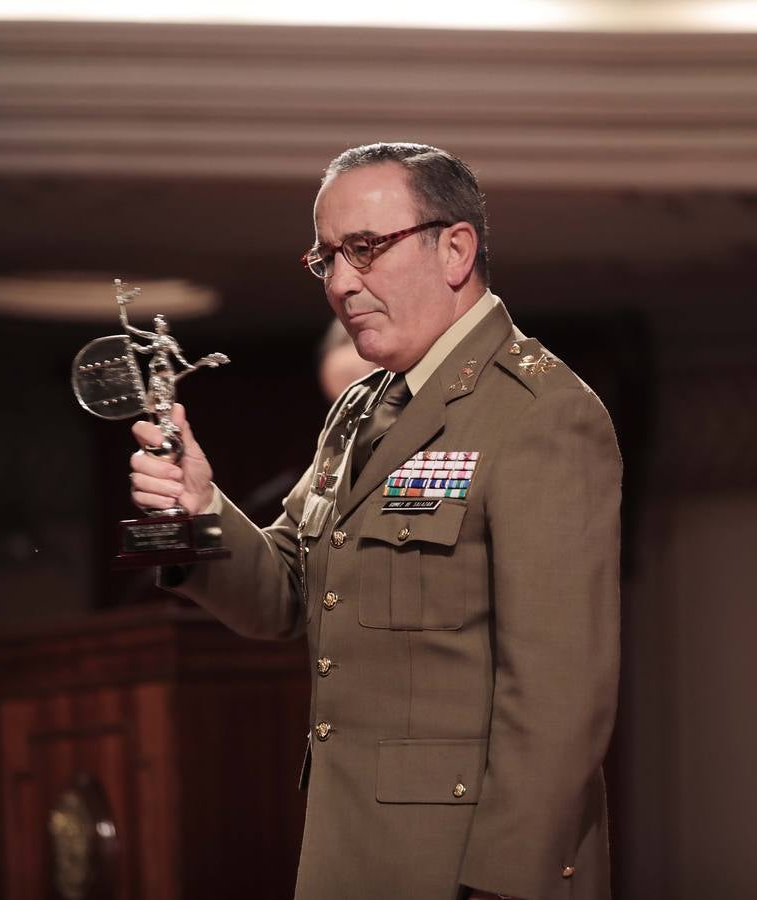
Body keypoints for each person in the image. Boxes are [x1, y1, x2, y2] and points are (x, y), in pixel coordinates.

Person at [129, 142, 621, 900]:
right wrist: (200, 510)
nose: (341, 283)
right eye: (325, 258)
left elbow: (560, 701)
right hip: (349, 855)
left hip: (466, 872)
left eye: (364, 249)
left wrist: (504, 888)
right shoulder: (360, 412)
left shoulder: (541, 415)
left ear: (455, 248)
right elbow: (288, 594)